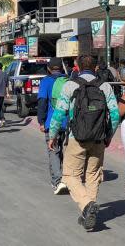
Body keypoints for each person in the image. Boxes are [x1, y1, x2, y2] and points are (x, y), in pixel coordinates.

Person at [48, 55, 120, 231]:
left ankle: (87, 206)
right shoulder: (105, 86)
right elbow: (115, 114)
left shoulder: (70, 85)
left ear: (77, 67)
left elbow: (59, 114)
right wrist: (108, 135)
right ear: (96, 68)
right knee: (93, 175)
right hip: (98, 137)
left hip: (76, 138)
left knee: (70, 175)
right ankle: (88, 215)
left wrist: (52, 135)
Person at [37, 58, 69, 195]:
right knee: (63, 150)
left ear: (49, 69)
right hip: (68, 121)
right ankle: (63, 178)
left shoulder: (46, 81)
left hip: (52, 122)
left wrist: (41, 121)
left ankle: (57, 181)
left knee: (53, 151)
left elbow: (42, 102)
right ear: (61, 68)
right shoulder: (69, 81)